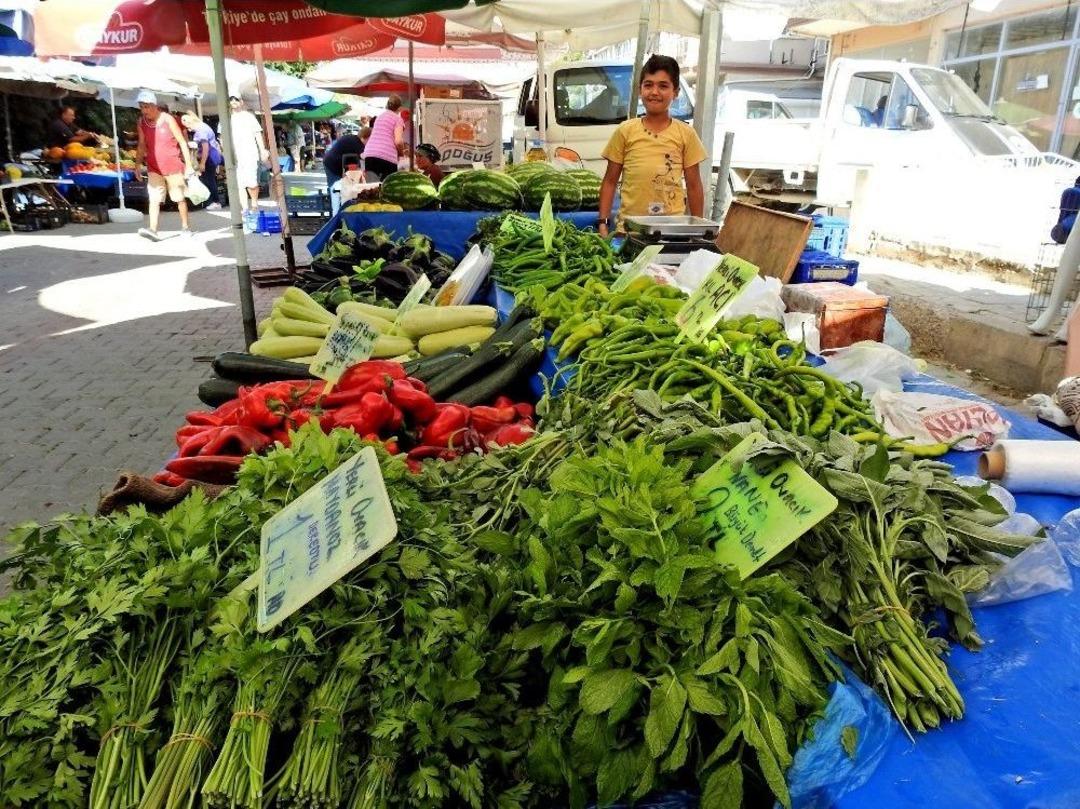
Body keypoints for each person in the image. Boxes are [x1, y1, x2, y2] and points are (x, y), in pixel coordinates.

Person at [597, 54, 707, 237]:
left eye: (663, 86)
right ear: (640, 90)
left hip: (672, 231)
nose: (654, 92)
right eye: (648, 85)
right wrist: (603, 223)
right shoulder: (625, 131)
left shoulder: (686, 134)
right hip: (629, 232)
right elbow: (609, 181)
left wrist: (699, 230)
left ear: (676, 92)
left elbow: (694, 185)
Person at [134, 90, 195, 240]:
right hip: (154, 167)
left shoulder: (167, 119)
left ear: (155, 106)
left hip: (172, 166)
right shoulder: (142, 122)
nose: (144, 110)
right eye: (142, 107)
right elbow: (141, 145)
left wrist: (188, 165)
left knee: (179, 198)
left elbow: (181, 141)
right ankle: (153, 229)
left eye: (147, 106)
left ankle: (186, 227)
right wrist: (137, 165)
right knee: (154, 198)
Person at [226, 96, 269, 211]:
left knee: (252, 182)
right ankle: (245, 209)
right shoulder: (227, 119)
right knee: (240, 184)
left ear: (241, 102)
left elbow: (257, 134)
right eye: (231, 100)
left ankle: (254, 204)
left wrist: (262, 150)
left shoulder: (249, 117)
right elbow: (222, 138)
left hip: (250, 153)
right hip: (234, 156)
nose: (233, 102)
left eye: (236, 99)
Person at [181, 111, 223, 210]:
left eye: (187, 126)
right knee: (209, 179)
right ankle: (213, 201)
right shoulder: (202, 127)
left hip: (210, 157)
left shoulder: (201, 130)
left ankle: (215, 202)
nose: (188, 129)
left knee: (209, 179)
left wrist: (203, 163)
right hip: (212, 156)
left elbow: (205, 148)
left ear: (190, 122)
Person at [363, 95, 406, 181]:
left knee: (372, 188)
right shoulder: (397, 119)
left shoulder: (379, 117)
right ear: (399, 108)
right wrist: (401, 154)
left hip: (370, 154)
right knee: (388, 188)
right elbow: (398, 141)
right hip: (387, 156)